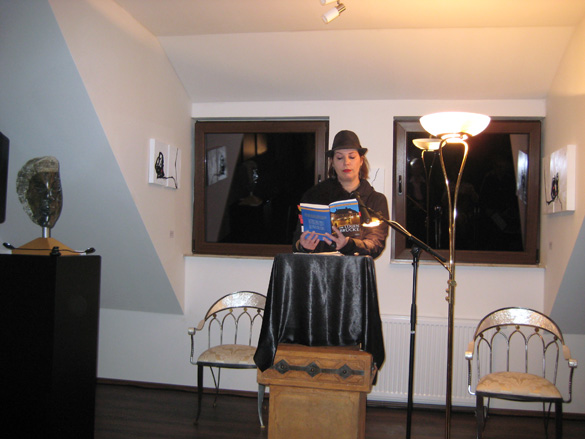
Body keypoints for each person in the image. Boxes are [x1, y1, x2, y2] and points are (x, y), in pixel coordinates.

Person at [292, 130, 389, 259]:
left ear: (361, 160)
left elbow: (376, 244)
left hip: (355, 268)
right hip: (320, 267)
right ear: (332, 162)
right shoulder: (313, 196)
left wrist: (349, 244)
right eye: (339, 158)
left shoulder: (375, 200)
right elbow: (297, 241)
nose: (346, 162)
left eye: (352, 157)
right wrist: (303, 246)